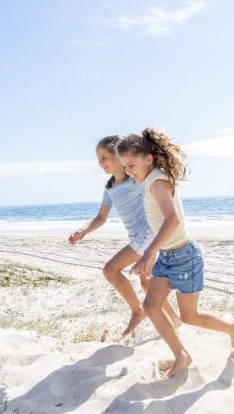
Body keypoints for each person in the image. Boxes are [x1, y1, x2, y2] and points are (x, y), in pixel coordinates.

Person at [116, 128, 234, 378]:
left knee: (189, 316)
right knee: (151, 306)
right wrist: (154, 254)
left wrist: (148, 253)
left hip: (185, 256)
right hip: (167, 256)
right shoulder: (150, 180)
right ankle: (181, 356)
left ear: (149, 158)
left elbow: (171, 220)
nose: (129, 172)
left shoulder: (157, 182)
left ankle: (233, 329)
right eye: (125, 167)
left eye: (132, 165)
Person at [68, 135, 180, 337]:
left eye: (104, 157)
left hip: (148, 233)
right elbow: (101, 217)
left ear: (118, 157)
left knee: (111, 270)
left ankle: (138, 311)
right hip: (137, 236)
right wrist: (83, 231)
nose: (100, 163)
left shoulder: (137, 180)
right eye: (98, 159)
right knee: (147, 282)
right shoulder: (110, 188)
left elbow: (158, 183)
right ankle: (174, 319)